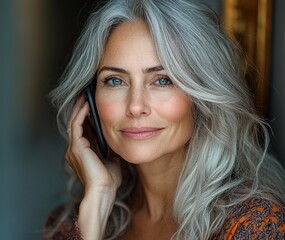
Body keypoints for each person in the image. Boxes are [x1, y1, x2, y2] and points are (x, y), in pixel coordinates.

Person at [44, 0, 285, 239]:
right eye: (115, 80)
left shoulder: (254, 223)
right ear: (89, 102)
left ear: (203, 96)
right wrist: (95, 204)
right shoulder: (68, 225)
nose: (136, 106)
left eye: (162, 80)